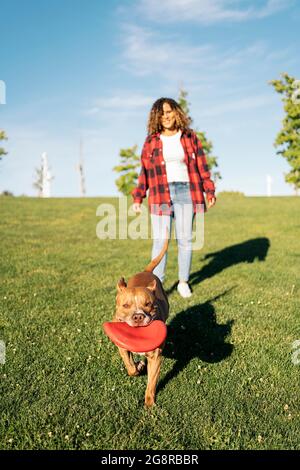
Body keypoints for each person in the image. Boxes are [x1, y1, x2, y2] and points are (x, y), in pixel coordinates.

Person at [132, 98, 216, 298]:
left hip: (187, 191)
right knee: (160, 240)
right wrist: (138, 197)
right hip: (160, 192)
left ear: (176, 113)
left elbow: (203, 167)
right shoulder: (151, 141)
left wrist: (209, 190)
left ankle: (183, 282)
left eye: (169, 112)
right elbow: (144, 171)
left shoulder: (189, 137)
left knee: (185, 238)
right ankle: (157, 286)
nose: (166, 116)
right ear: (156, 118)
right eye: (161, 114)